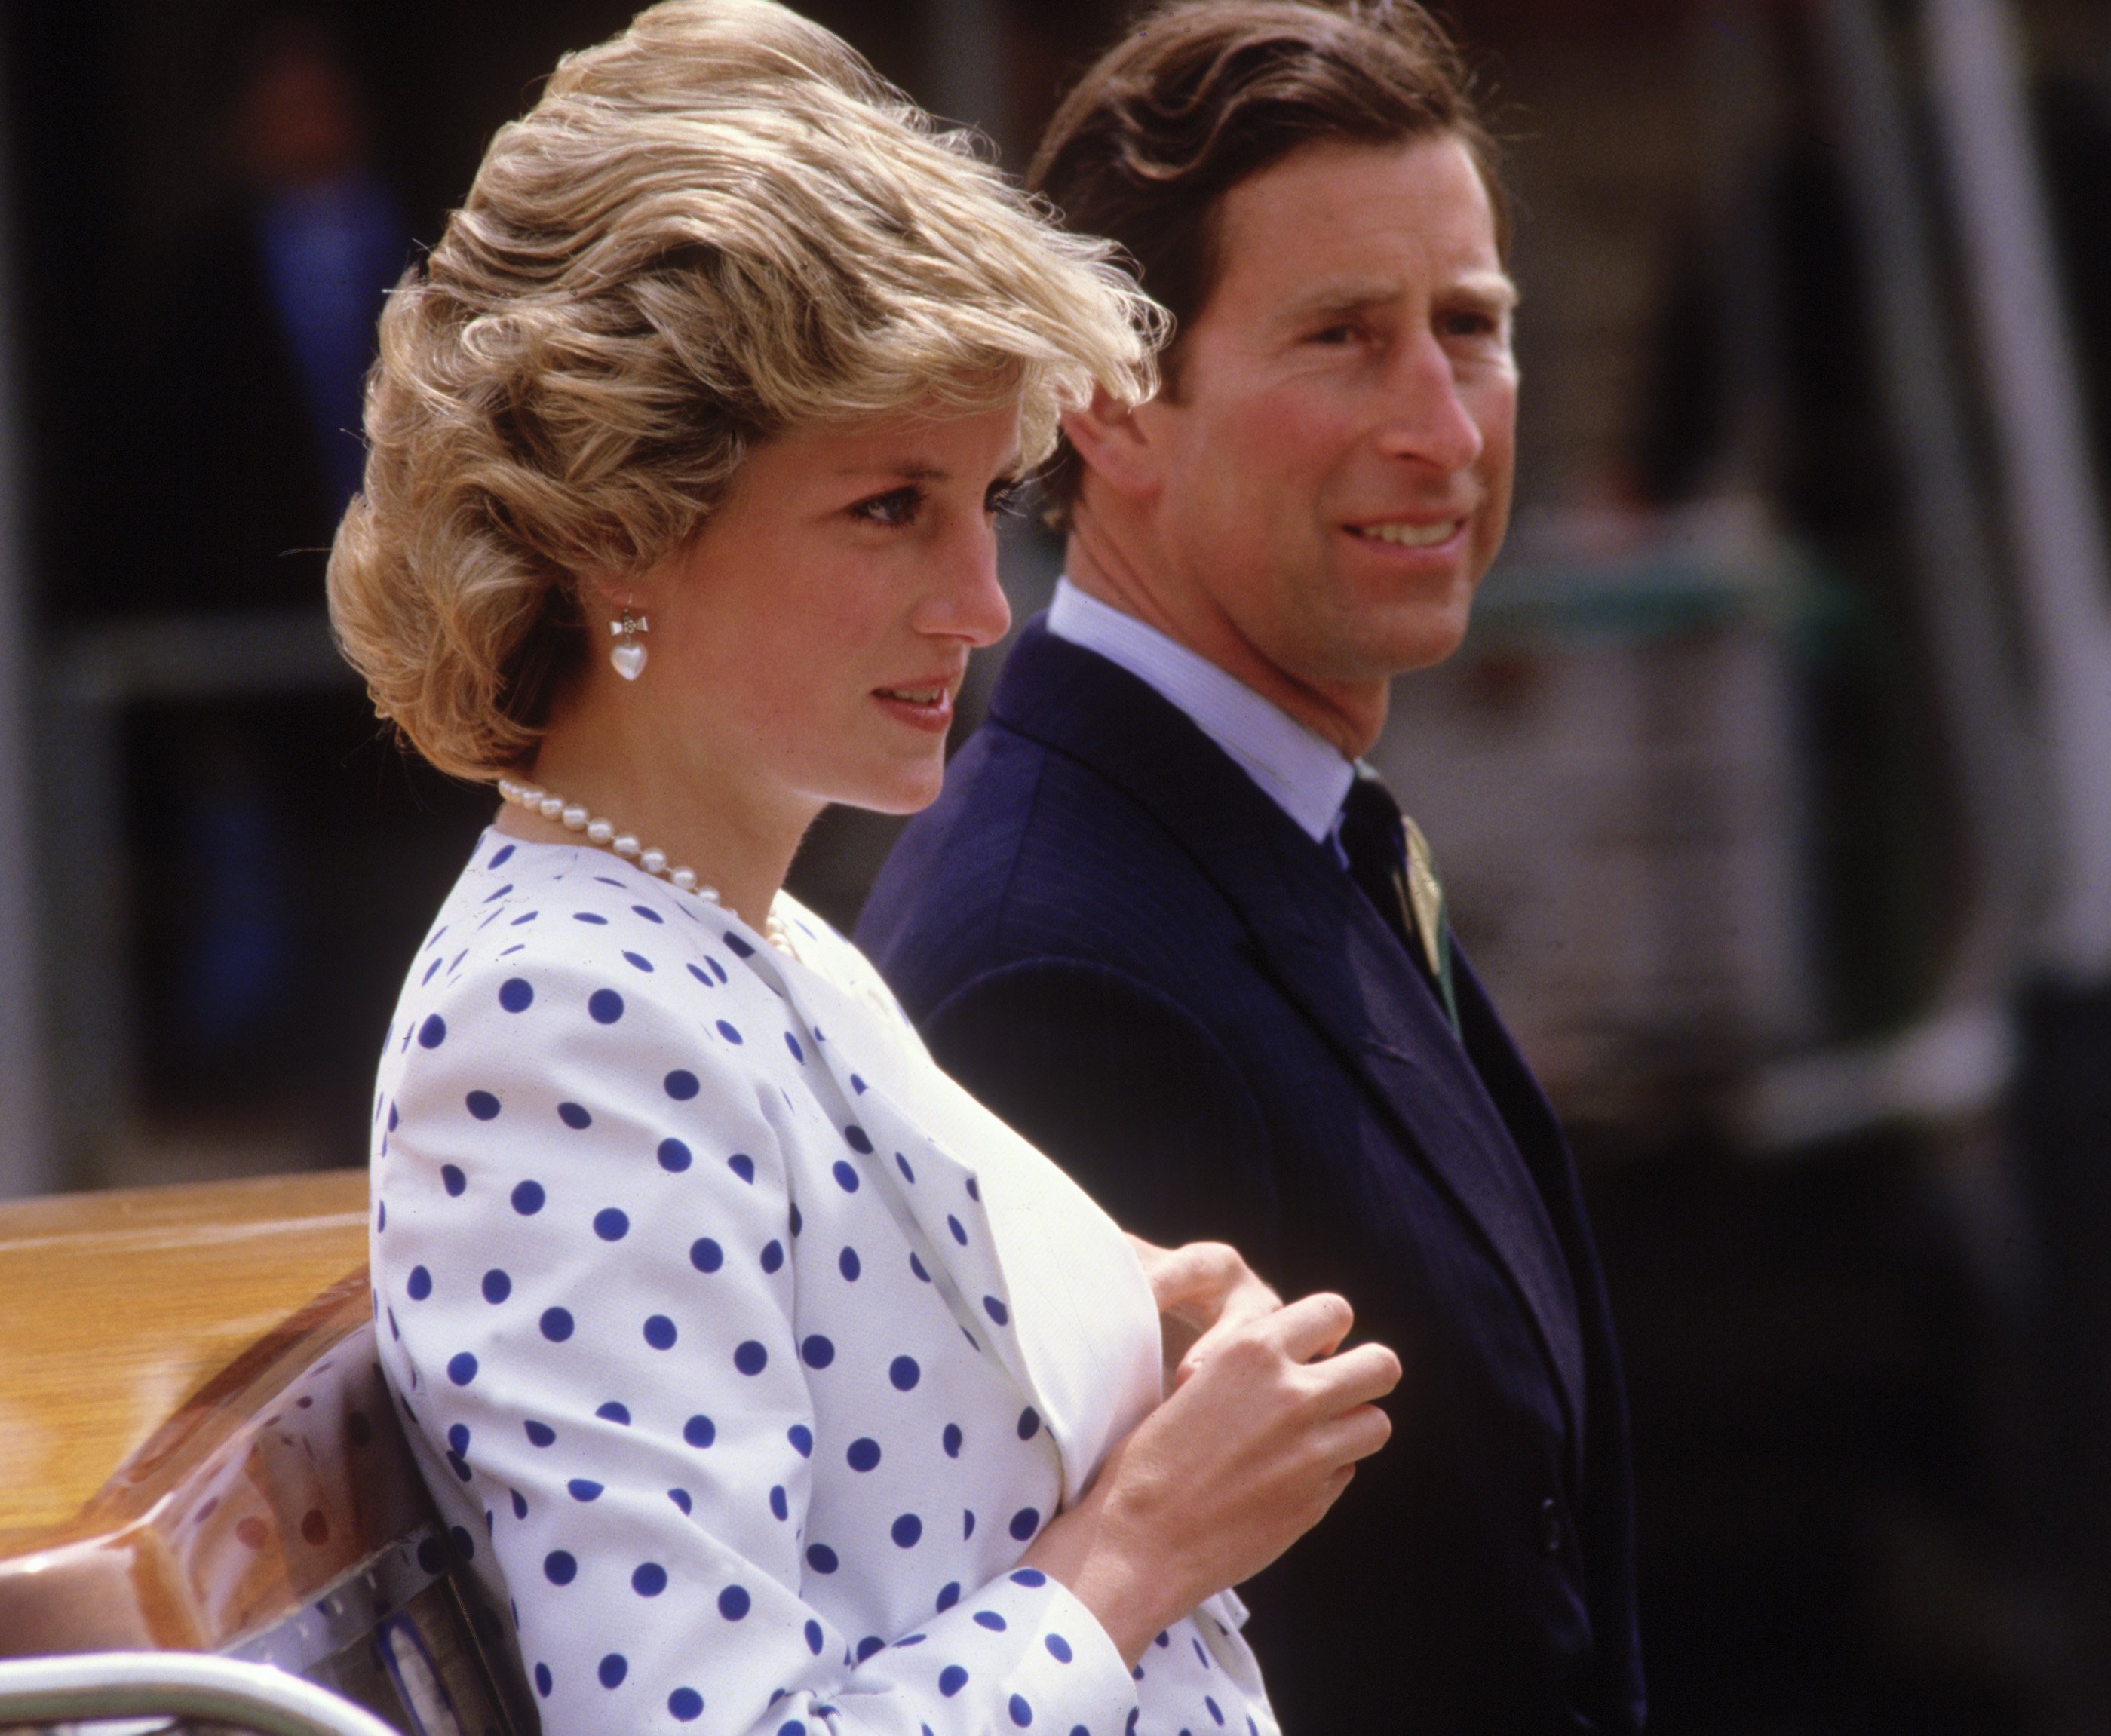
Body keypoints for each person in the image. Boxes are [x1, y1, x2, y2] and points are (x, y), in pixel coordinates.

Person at [333, 7, 1402, 1734]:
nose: (982, 602)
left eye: (988, 498)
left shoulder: (745, 944)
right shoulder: (556, 1020)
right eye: (889, 504)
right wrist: (1138, 1544)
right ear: (621, 528)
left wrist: (1139, 1312)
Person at [855, 3, 1643, 1731]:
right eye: (1346, 339)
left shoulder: (1291, 830)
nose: (1441, 423)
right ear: (1112, 407)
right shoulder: (1047, 964)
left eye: (1470, 328)